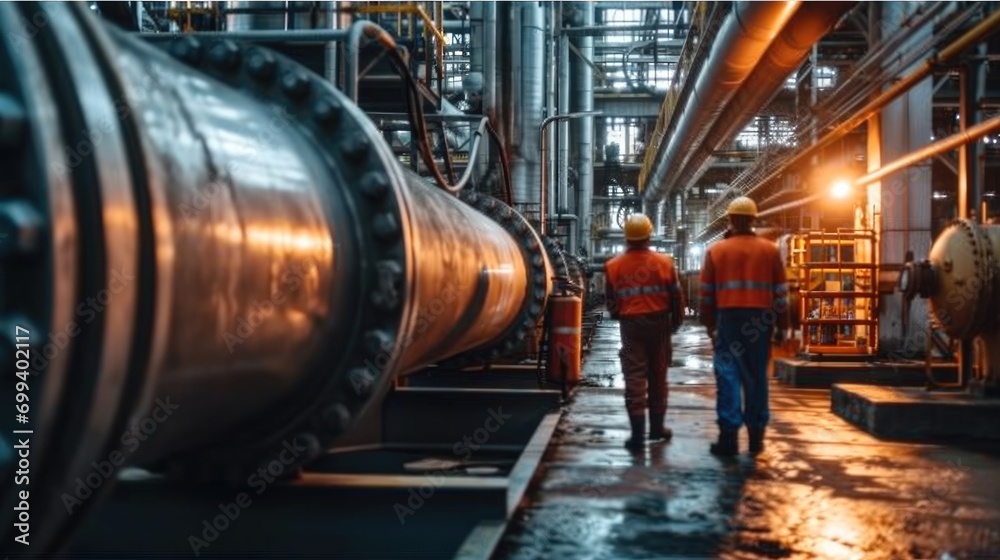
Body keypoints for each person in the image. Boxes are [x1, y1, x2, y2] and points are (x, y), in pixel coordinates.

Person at [699, 196, 788, 456]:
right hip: (761, 322)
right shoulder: (770, 250)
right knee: (757, 378)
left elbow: (706, 296)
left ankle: (728, 439)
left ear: (730, 220)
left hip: (729, 320)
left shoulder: (716, 251)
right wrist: (783, 326)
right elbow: (781, 294)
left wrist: (710, 327)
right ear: (753, 219)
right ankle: (756, 439)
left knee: (728, 376)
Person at [605, 214, 683, 451]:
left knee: (635, 377)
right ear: (649, 235)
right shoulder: (665, 262)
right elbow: (676, 297)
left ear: (627, 237)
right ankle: (657, 429)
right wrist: (675, 323)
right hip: (659, 324)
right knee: (658, 376)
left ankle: (637, 435)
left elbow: (611, 302)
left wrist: (622, 315)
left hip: (631, 325)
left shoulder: (613, 266)